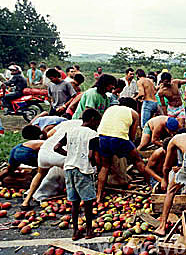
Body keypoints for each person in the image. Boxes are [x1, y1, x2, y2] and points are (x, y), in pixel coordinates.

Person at [96, 97, 156, 203]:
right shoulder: (134, 114)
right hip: (119, 138)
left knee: (105, 166)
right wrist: (128, 151)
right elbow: (131, 137)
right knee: (138, 161)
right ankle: (152, 187)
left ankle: (99, 196)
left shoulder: (110, 109)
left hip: (102, 138)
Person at [53, 108, 101, 240]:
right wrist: (97, 166)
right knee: (88, 202)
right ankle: (89, 231)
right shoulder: (92, 134)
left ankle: (75, 232)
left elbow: (56, 147)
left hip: (69, 168)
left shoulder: (70, 132)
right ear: (92, 120)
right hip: (83, 170)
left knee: (74, 202)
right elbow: (92, 155)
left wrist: (70, 155)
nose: (97, 124)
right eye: (97, 121)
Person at [21, 117, 85, 210]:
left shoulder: (66, 123)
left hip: (45, 151)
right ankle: (75, 201)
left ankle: (26, 201)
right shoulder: (86, 127)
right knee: (74, 173)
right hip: (61, 154)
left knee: (40, 174)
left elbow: (50, 134)